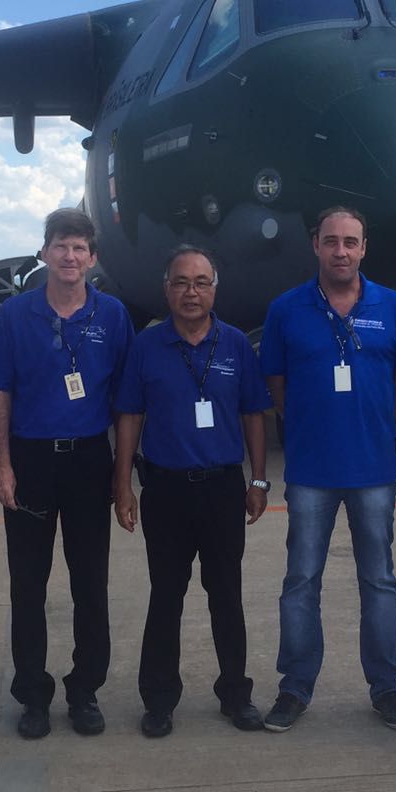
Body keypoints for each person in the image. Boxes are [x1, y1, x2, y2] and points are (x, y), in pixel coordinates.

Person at [258, 206, 396, 732]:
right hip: (310, 472)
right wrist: (313, 425)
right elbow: (276, 387)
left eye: (351, 242)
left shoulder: (393, 308)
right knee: (301, 580)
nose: (341, 251)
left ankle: (387, 688)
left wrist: (370, 423)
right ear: (316, 246)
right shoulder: (286, 310)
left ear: (364, 248)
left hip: (373, 470)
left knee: (378, 580)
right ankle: (295, 686)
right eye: (332, 241)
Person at [0, 207, 133, 739]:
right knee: (28, 586)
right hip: (31, 460)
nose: (70, 256)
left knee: (91, 583)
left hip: (89, 459)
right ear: (44, 253)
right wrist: (2, 465)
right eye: (60, 246)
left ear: (92, 258)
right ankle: (33, 696)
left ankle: (85, 690)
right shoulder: (15, 315)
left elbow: (126, 401)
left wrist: (122, 475)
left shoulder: (112, 316)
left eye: (80, 248)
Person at [112, 245, 273, 737]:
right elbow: (130, 417)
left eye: (201, 282)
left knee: (226, 595)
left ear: (214, 289)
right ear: (166, 289)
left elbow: (253, 414)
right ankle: (159, 699)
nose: (191, 292)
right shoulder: (147, 346)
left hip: (223, 489)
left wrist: (259, 479)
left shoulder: (235, 346)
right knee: (166, 598)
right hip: (165, 490)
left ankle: (235, 695)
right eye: (181, 282)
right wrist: (123, 486)